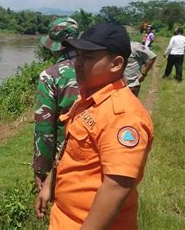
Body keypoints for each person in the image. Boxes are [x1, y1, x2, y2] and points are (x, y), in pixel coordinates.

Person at [35, 23, 154, 229]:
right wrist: (49, 183)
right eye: (78, 55)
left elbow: (116, 187)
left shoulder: (124, 117)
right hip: (64, 218)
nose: (77, 64)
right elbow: (70, 151)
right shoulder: (88, 98)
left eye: (88, 57)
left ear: (116, 64)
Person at [33, 17, 80, 190]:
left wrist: (41, 168)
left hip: (65, 157)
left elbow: (44, 128)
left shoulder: (50, 76)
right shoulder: (96, 67)